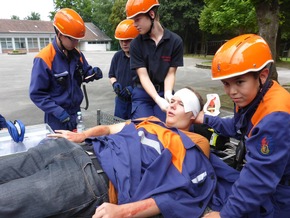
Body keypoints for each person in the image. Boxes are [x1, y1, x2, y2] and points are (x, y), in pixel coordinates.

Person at [0, 87, 232, 217]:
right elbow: (111, 128)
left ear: (192, 114)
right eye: (171, 100)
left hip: (90, 178)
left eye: (180, 104)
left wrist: (124, 212)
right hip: (72, 148)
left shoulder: (194, 143)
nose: (171, 105)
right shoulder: (151, 121)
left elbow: (176, 196)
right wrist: (82, 135)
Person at [197, 34, 290, 218]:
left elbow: (259, 178)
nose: (232, 92)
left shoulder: (275, 116)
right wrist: (205, 119)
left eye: (239, 82)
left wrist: (225, 215)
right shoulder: (251, 96)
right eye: (226, 83)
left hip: (282, 191)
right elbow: (235, 126)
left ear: (262, 75)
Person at [29, 8, 103, 131]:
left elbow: (84, 73)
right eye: (73, 39)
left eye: (78, 39)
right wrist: (59, 113)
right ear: (60, 34)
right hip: (56, 117)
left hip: (75, 113)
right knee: (58, 148)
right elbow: (37, 94)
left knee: (77, 146)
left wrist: (93, 73)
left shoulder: (76, 54)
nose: (76, 43)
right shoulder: (44, 59)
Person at [125, 0, 184, 122]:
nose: (134, 24)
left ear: (151, 15)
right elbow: (143, 76)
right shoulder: (136, 44)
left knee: (167, 127)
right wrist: (157, 99)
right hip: (142, 94)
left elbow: (170, 73)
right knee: (145, 127)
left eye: (137, 19)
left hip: (164, 90)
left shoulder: (175, 41)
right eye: (133, 20)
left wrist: (168, 94)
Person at [109, 19, 139, 120]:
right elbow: (111, 75)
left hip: (135, 101)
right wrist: (114, 84)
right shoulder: (117, 56)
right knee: (118, 127)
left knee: (134, 129)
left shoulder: (141, 58)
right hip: (120, 101)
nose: (124, 43)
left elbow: (148, 79)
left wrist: (133, 89)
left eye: (127, 40)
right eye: (121, 41)